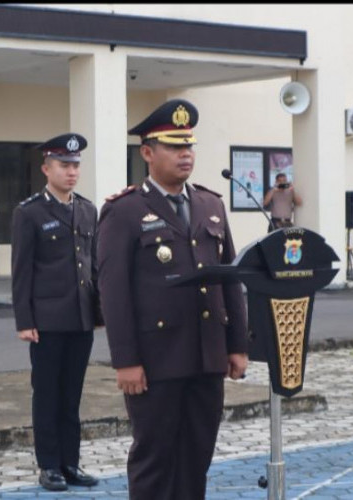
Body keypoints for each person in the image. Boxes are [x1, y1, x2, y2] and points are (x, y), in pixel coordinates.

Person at [96, 99, 248, 500]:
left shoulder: (210, 204)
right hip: (156, 358)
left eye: (189, 146)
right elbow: (114, 294)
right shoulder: (124, 211)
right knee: (154, 458)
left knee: (197, 455)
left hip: (206, 355)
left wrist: (237, 346)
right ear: (147, 152)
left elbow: (230, 279)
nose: (186, 154)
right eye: (174, 146)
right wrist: (126, 361)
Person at [11, 133, 101, 492]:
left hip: (80, 319)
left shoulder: (87, 209)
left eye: (76, 165)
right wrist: (25, 320)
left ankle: (70, 462)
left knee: (72, 395)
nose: (72, 172)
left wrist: (98, 312)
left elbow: (92, 266)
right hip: (47, 321)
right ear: (46, 168)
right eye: (64, 165)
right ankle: (49, 465)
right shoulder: (29, 212)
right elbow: (22, 271)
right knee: (47, 393)